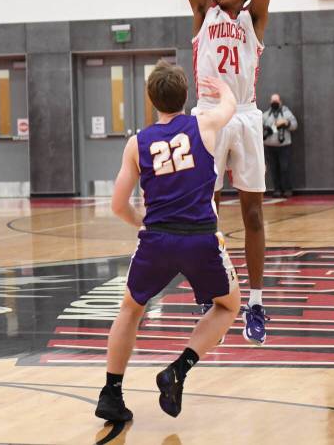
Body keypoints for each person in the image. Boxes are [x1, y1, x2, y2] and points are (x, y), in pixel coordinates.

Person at [129, 0, 270, 345]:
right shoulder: (203, 12)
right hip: (208, 117)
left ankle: (255, 302)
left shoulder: (255, 19)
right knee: (199, 209)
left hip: (245, 116)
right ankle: (211, 288)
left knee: (252, 215)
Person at [96, 62, 240, 423]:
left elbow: (117, 205)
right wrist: (222, 87)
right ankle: (178, 369)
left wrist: (141, 222)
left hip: (157, 240)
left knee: (131, 309)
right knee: (227, 306)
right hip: (199, 239)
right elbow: (230, 107)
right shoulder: (203, 125)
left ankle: (111, 392)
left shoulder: (137, 142)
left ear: (150, 99)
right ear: (186, 96)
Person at [263, 94, 298, 198]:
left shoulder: (287, 113)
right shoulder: (265, 115)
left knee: (285, 168)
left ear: (280, 102)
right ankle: (277, 189)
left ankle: (287, 189)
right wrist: (266, 129)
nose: (274, 103)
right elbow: (258, 129)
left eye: (276, 101)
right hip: (269, 146)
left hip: (284, 146)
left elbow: (295, 125)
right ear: (270, 102)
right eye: (273, 101)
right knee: (273, 169)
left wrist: (286, 123)